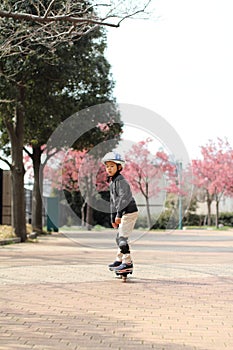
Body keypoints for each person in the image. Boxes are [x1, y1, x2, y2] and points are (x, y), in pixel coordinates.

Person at [102, 152, 138, 273]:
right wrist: (113, 218)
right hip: (123, 212)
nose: (109, 169)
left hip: (129, 211)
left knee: (122, 238)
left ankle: (127, 263)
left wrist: (118, 215)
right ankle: (119, 260)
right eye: (107, 166)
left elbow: (124, 199)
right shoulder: (112, 182)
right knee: (119, 238)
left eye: (112, 166)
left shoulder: (121, 181)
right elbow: (113, 202)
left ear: (119, 167)